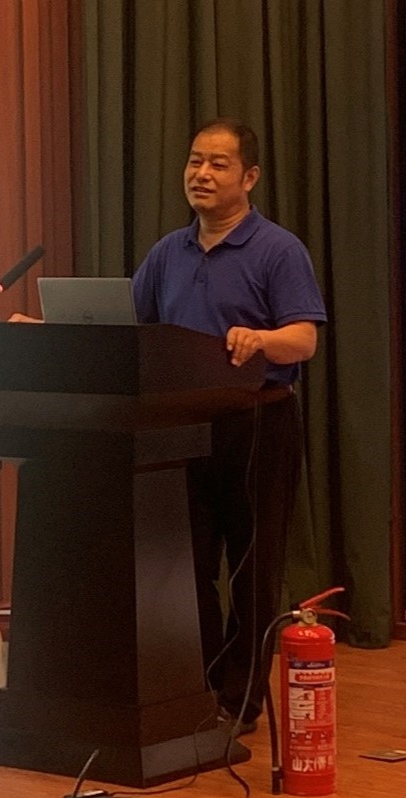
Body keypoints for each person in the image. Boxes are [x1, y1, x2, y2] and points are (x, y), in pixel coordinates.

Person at [131, 117, 327, 735]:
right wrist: (50, 331)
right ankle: (198, 687)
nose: (202, 173)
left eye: (218, 164)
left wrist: (261, 339)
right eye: (195, 161)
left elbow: (304, 340)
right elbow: (130, 329)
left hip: (257, 425)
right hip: (181, 427)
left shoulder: (278, 249)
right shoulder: (168, 252)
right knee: (185, 566)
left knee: (251, 568)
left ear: (249, 177)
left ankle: (241, 701)